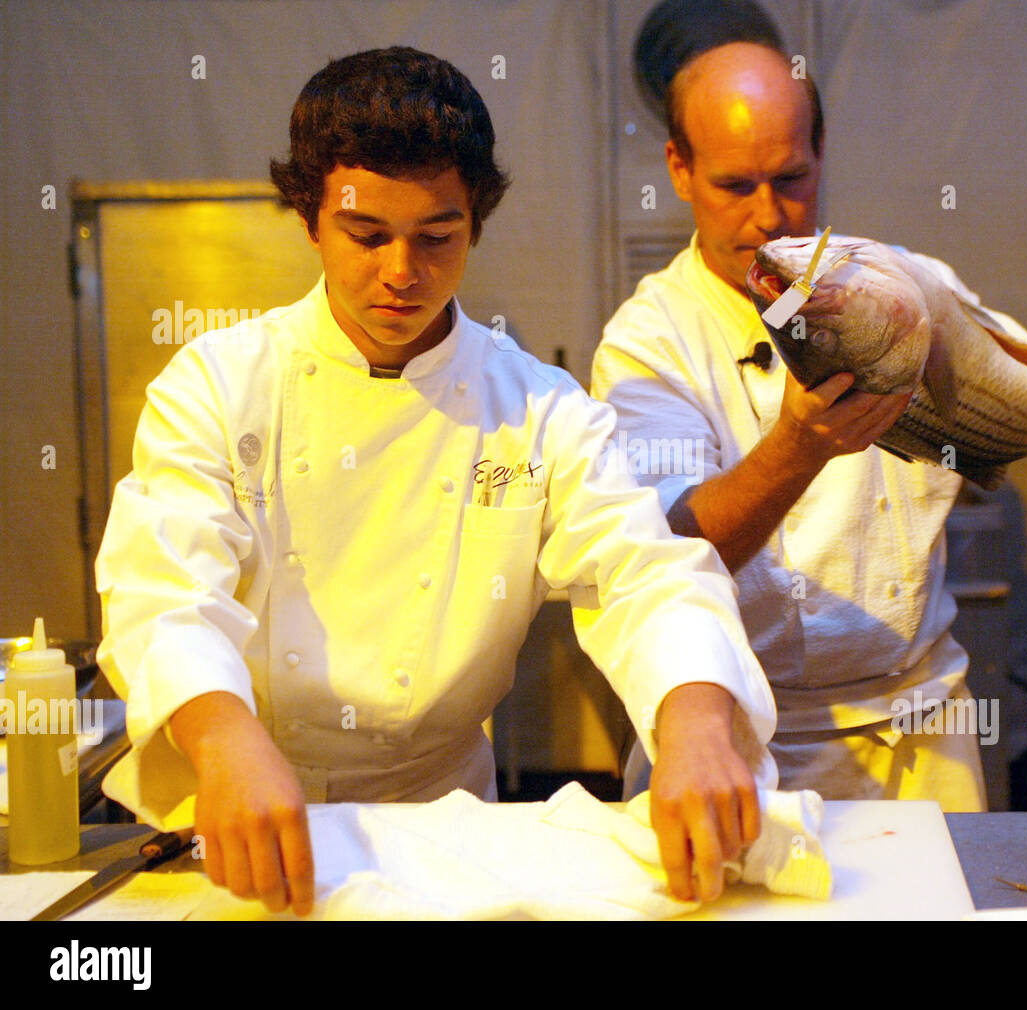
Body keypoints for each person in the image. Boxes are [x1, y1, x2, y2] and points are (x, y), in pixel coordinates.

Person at [95, 46, 778, 916]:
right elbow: (163, 589)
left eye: (436, 237)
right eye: (367, 234)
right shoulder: (219, 385)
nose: (401, 272)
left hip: (448, 830)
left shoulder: (535, 409)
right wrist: (225, 740)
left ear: (476, 224)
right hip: (244, 811)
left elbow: (646, 571)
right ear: (310, 219)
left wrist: (694, 719)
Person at [591, 36, 1027, 809]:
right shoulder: (647, 341)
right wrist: (799, 444)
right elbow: (665, 549)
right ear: (678, 168)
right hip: (740, 734)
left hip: (920, 729)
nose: (768, 214)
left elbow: (1017, 391)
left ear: (822, 152)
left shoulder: (903, 282)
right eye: (734, 185)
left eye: (791, 179)